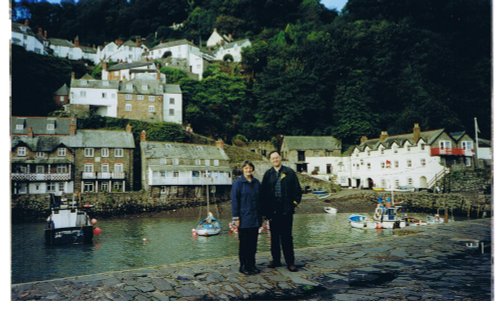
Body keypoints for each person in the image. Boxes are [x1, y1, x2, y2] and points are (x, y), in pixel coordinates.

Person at [261, 151, 302, 272]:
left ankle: (290, 262)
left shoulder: (289, 172)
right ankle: (276, 260)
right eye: (272, 158)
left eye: (277, 157)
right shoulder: (268, 174)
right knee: (274, 238)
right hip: (273, 212)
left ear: (280, 158)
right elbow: (263, 194)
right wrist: (265, 212)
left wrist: (293, 205)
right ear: (270, 160)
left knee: (287, 237)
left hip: (286, 211)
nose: (275, 160)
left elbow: (297, 191)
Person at [231, 160, 262, 275]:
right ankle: (243, 266)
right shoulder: (238, 183)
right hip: (243, 219)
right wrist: (236, 218)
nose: (248, 170)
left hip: (255, 218)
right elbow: (235, 201)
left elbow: (261, 201)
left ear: (252, 169)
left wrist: (262, 217)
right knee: (244, 244)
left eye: (250, 168)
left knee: (253, 244)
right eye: (246, 168)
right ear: (243, 169)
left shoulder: (257, 183)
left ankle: (252, 265)